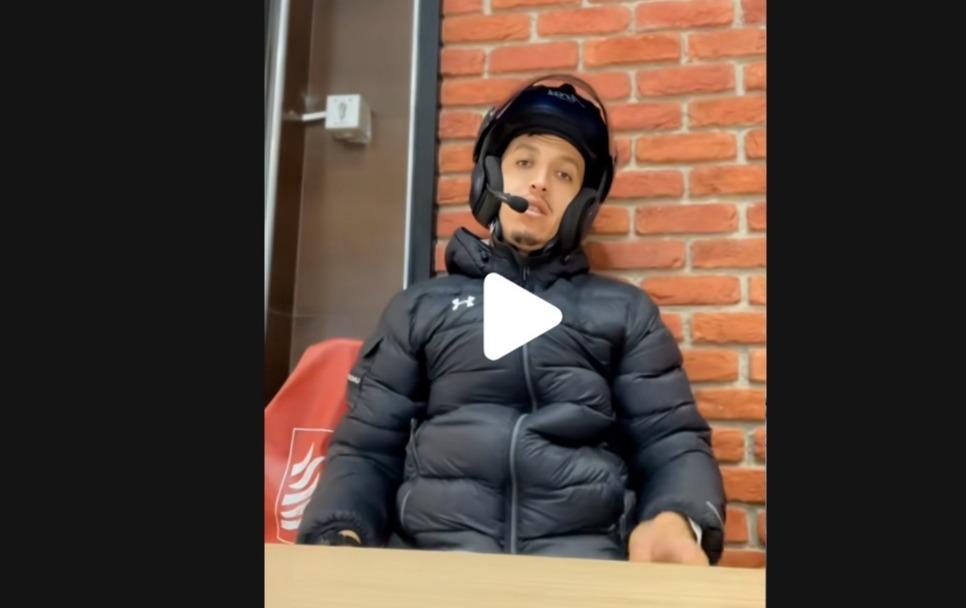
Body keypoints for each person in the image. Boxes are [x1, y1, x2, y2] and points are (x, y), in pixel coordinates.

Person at [298, 74, 726, 565]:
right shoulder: (419, 308)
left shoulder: (627, 313)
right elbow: (366, 450)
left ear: (582, 206)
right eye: (524, 162)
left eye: (564, 174)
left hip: (584, 572)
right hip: (436, 569)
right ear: (490, 177)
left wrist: (677, 518)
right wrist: (339, 531)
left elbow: (671, 442)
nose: (540, 181)